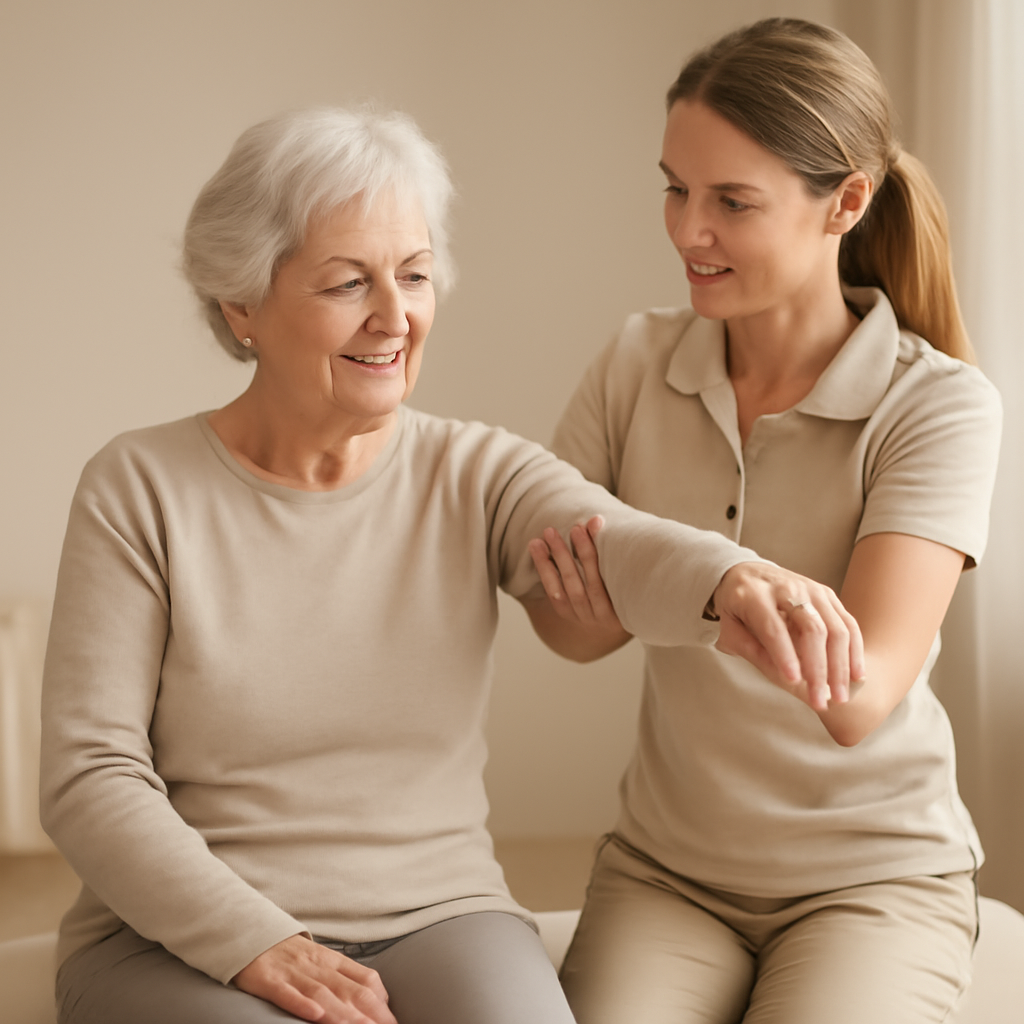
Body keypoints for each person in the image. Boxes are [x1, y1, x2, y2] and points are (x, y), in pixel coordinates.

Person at [39, 107, 859, 1024]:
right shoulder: (139, 486)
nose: (395, 317)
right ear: (242, 304)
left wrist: (732, 579)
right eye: (349, 283)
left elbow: (609, 536)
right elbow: (90, 776)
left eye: (416, 276)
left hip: (438, 914)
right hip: (177, 934)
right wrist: (254, 941)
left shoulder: (474, 471)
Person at [525, 18, 1002, 1024]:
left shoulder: (938, 403)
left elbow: (857, 693)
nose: (686, 230)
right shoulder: (633, 360)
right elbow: (567, 626)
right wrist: (706, 591)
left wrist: (668, 578)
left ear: (847, 203)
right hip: (669, 871)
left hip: (871, 881)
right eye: (675, 188)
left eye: (731, 202)